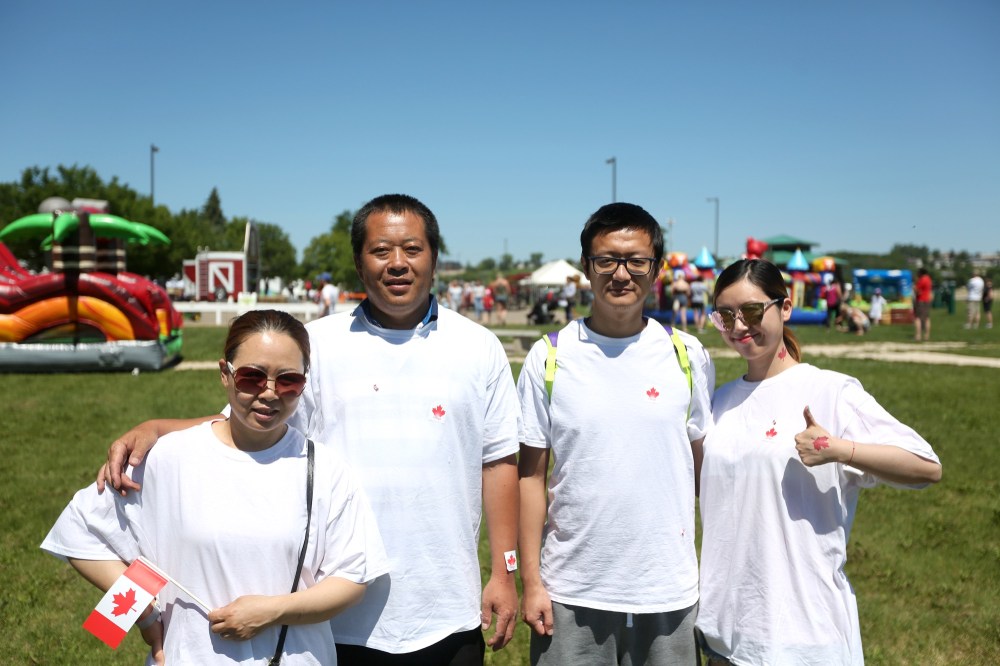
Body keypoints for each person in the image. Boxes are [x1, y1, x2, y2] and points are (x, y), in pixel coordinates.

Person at [99, 194, 522, 664]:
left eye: (412, 249)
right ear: (360, 265)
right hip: (329, 613)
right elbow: (248, 418)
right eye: (381, 251)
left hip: (443, 609)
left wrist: (505, 572)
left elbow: (500, 461)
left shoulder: (479, 348)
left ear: (435, 258)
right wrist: (157, 429)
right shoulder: (317, 343)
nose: (397, 263)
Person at [44, 310, 388, 664]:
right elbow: (80, 532)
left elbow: (351, 578)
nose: (269, 393)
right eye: (252, 377)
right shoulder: (169, 458)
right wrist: (145, 613)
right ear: (225, 374)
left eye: (288, 381)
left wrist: (272, 611)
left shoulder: (326, 470)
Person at [696, 259, 942, 665]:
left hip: (803, 638)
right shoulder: (719, 401)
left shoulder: (829, 390)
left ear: (785, 308)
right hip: (726, 636)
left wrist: (840, 449)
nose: (739, 326)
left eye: (753, 311)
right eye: (725, 316)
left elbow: (925, 465)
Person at [518, 203, 715, 665]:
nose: (621, 273)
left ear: (657, 269)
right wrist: (531, 580)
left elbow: (705, 471)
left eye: (636, 261)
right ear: (587, 267)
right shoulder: (549, 358)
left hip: (667, 591)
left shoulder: (686, 355)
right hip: (572, 591)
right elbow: (529, 478)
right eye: (606, 259)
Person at [914, 267, 933, 341]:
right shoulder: (929, 279)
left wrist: (914, 287)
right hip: (927, 300)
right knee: (927, 318)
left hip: (921, 300)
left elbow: (917, 290)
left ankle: (918, 336)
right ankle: (927, 335)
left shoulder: (922, 280)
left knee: (917, 318)